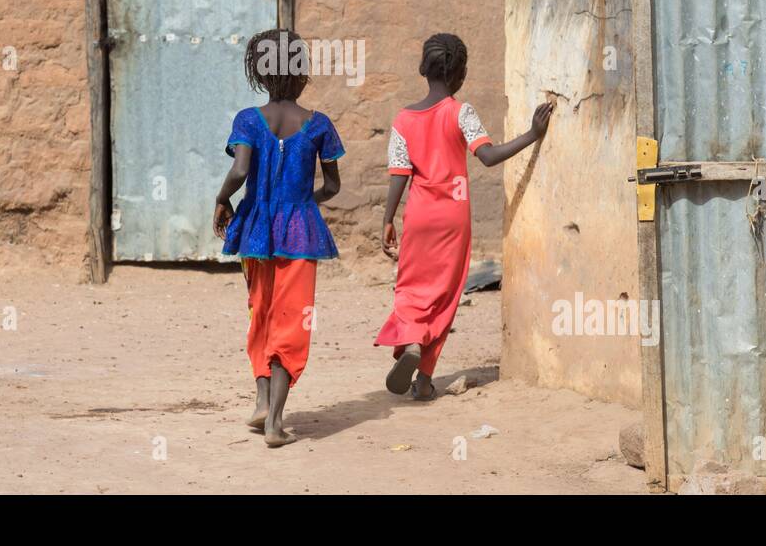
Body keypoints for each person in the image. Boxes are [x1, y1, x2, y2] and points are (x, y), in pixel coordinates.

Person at [377, 32, 553, 399]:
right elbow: (487, 156)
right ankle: (424, 379)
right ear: (460, 75)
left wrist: (388, 219)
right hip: (452, 218)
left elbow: (399, 173)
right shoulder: (461, 112)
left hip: (419, 216)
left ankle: (409, 339)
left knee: (411, 287)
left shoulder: (403, 119)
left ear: (424, 69)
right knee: (445, 294)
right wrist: (532, 134)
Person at [213, 28, 345, 446]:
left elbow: (239, 171)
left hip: (254, 231)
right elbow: (333, 186)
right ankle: (274, 421)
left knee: (261, 312)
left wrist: (221, 199)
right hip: (301, 234)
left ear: (260, 75)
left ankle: (260, 399)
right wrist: (306, 202)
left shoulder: (248, 120)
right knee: (292, 319)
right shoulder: (318, 125)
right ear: (301, 74)